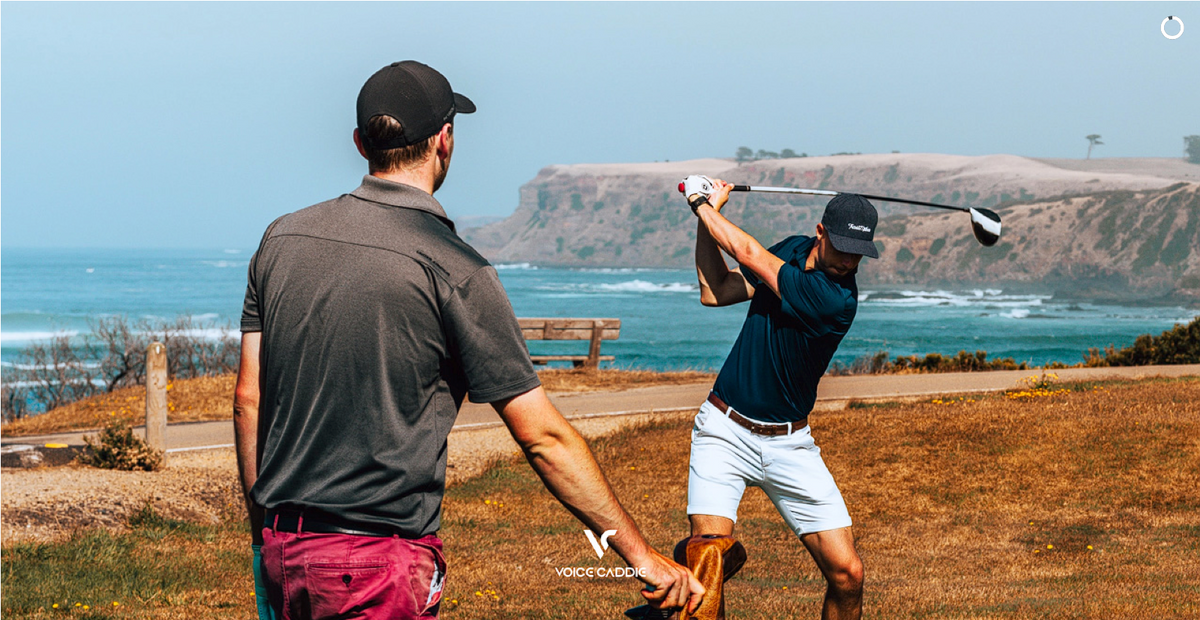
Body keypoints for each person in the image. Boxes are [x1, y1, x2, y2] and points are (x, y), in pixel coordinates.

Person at [233, 60, 703, 620]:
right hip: (379, 562)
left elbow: (248, 400)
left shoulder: (282, 239)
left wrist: (266, 536)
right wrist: (642, 556)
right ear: (444, 140)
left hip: (286, 551)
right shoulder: (454, 267)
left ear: (361, 144)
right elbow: (543, 440)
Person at [679, 178, 876, 620]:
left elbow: (747, 253)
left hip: (791, 445)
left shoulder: (836, 299)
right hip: (724, 431)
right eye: (842, 247)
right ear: (821, 232)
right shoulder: (790, 249)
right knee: (707, 558)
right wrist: (706, 221)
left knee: (849, 575)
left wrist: (701, 205)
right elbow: (716, 291)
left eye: (859, 253)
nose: (849, 261)